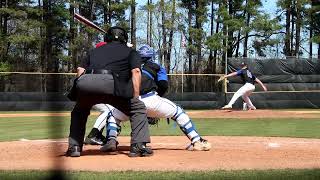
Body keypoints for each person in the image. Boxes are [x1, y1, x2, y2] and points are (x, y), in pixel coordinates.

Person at [84, 45, 211, 152]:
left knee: (113, 115)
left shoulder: (128, 65)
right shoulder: (156, 66)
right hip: (150, 99)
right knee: (178, 112)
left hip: (129, 100)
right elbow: (163, 85)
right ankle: (197, 140)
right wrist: (156, 106)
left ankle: (111, 140)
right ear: (151, 56)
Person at [66, 26, 152, 158]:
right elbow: (136, 72)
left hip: (86, 82)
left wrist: (80, 92)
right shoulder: (131, 52)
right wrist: (135, 97)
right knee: (138, 108)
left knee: (79, 111)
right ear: (125, 38)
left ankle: (74, 147)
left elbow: (80, 70)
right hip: (111, 84)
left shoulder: (94, 51)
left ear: (107, 38)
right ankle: (138, 146)